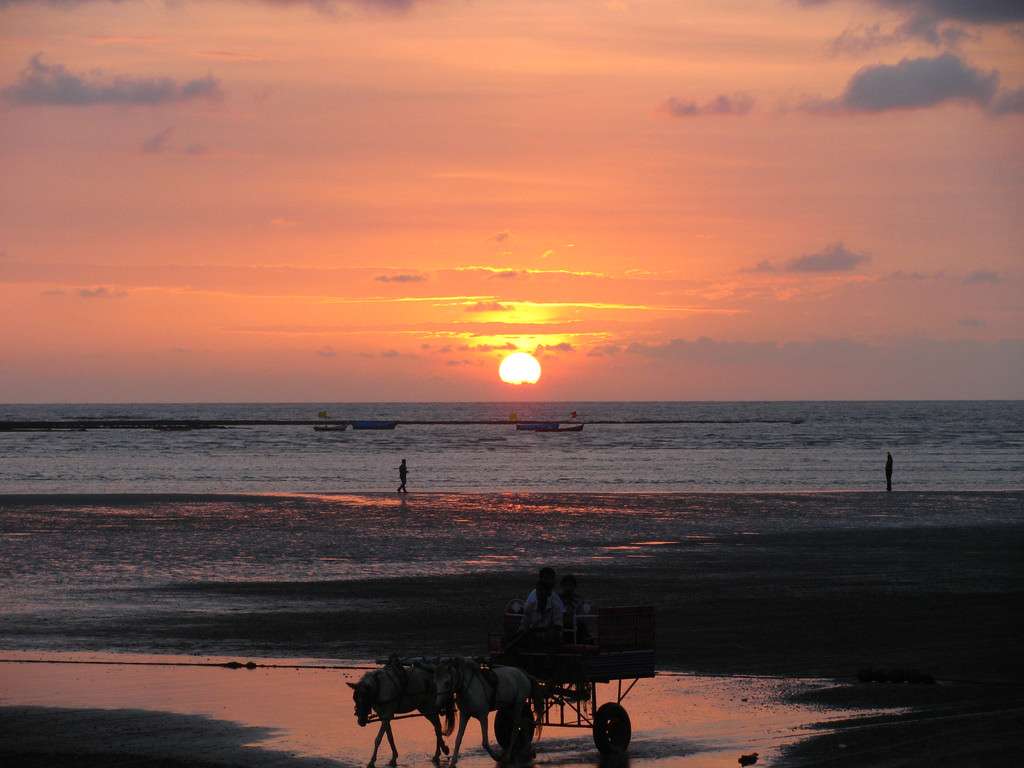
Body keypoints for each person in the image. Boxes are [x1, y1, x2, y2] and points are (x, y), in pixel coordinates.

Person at [520, 567, 564, 644]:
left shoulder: (555, 601)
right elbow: (525, 623)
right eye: (546, 578)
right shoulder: (531, 601)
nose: (549, 581)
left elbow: (558, 626)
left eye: (551, 578)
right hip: (533, 636)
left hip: (549, 638)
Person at [559, 574, 591, 643]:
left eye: (570, 585)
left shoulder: (579, 599)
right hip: (560, 626)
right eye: (566, 585)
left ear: (574, 586)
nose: (568, 588)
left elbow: (582, 616)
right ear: (562, 586)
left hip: (576, 626)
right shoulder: (557, 599)